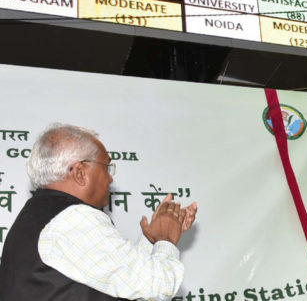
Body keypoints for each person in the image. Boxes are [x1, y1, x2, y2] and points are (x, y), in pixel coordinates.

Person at [0, 123, 198, 301]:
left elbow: (119, 280)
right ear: (79, 172)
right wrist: (166, 240)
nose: (110, 179)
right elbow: (156, 287)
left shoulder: (41, 214)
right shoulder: (73, 219)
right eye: (106, 167)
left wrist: (152, 238)